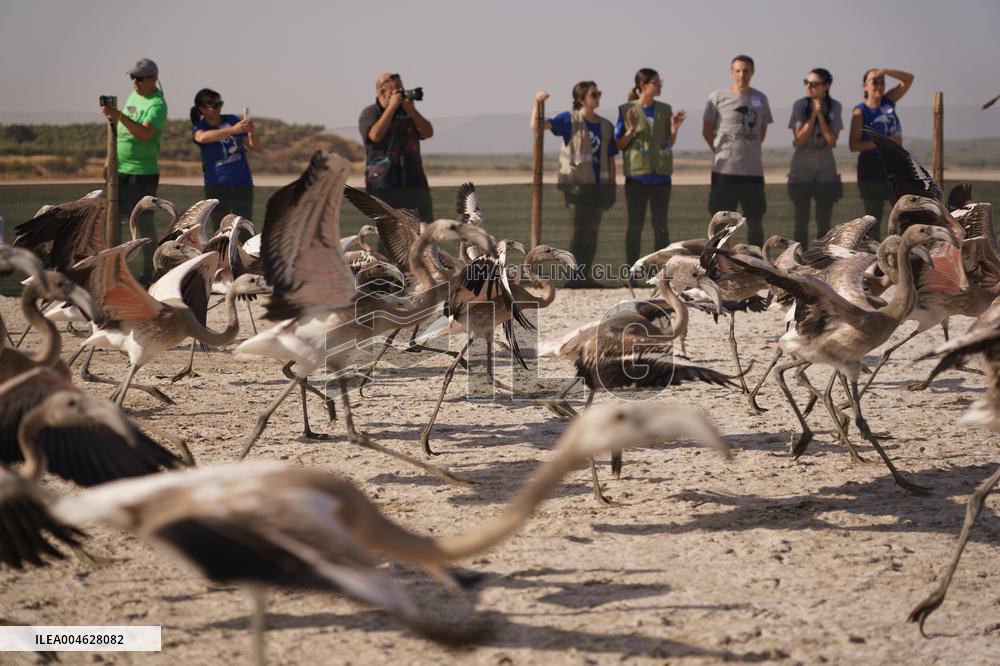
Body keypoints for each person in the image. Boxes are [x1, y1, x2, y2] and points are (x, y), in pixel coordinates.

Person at [532, 83, 617, 287]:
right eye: (593, 94)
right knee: (579, 232)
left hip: (599, 186)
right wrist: (538, 103)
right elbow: (538, 126)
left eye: (599, 93)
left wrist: (612, 186)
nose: (597, 97)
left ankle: (585, 275)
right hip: (577, 186)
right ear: (581, 99)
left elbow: (611, 157)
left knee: (592, 231)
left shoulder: (606, 125)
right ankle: (574, 277)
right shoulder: (568, 119)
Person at [100, 57, 167, 283]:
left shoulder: (157, 104)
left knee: (142, 222)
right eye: (132, 77)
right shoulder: (133, 96)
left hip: (143, 172)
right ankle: (117, 270)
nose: (135, 82)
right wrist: (110, 160)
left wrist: (119, 115)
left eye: (139, 78)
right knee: (115, 219)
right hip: (121, 170)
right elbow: (120, 131)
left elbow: (145, 133)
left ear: (153, 79)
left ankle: (149, 271)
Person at [615, 68, 685, 268]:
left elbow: (667, 142)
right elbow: (619, 144)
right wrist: (631, 128)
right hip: (637, 178)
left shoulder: (665, 109)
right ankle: (632, 269)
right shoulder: (626, 109)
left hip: (661, 177)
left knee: (660, 226)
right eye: (656, 82)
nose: (660, 84)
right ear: (644, 86)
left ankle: (661, 270)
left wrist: (674, 128)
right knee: (635, 226)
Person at [702, 55, 773, 247]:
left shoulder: (760, 98)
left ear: (752, 72)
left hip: (752, 172)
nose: (742, 75)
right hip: (724, 172)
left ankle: (757, 266)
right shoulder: (718, 97)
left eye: (746, 71)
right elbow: (707, 129)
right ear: (732, 72)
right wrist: (719, 150)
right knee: (721, 225)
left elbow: (762, 130)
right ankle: (718, 265)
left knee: (756, 223)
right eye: (738, 70)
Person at [358, 72, 434, 221]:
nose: (401, 94)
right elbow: (374, 136)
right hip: (384, 186)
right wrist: (391, 108)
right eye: (396, 90)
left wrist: (411, 110)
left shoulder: (407, 113)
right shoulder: (370, 113)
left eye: (402, 89)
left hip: (415, 183)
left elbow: (428, 132)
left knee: (424, 229)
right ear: (382, 92)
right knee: (389, 234)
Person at [849, 68, 913, 239]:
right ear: (865, 86)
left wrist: (883, 70)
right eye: (874, 81)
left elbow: (908, 79)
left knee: (905, 216)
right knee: (873, 220)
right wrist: (883, 141)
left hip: (894, 166)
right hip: (871, 168)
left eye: (882, 81)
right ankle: (875, 261)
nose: (879, 85)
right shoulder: (860, 111)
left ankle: (904, 257)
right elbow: (854, 145)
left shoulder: (888, 102)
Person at [787, 68, 843, 244]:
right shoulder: (799, 105)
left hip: (825, 160)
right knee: (801, 217)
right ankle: (799, 256)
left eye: (814, 84)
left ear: (826, 86)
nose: (809, 87)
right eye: (807, 83)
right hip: (802, 160)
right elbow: (800, 139)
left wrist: (821, 115)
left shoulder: (835, 106)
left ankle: (823, 258)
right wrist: (812, 115)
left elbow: (831, 140)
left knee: (824, 218)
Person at [191, 88, 258, 231]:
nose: (217, 108)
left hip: (242, 183)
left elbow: (255, 146)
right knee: (220, 229)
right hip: (217, 186)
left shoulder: (231, 119)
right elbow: (202, 137)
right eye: (212, 105)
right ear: (202, 109)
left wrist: (252, 132)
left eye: (219, 104)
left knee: (245, 229)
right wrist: (233, 130)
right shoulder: (200, 127)